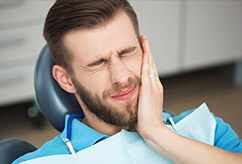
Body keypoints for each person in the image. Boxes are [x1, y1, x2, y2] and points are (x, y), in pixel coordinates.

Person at [13, 0, 242, 163]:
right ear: (66, 80)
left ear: (144, 50)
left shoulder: (207, 130)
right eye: (98, 63)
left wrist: (156, 133)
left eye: (126, 52)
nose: (121, 77)